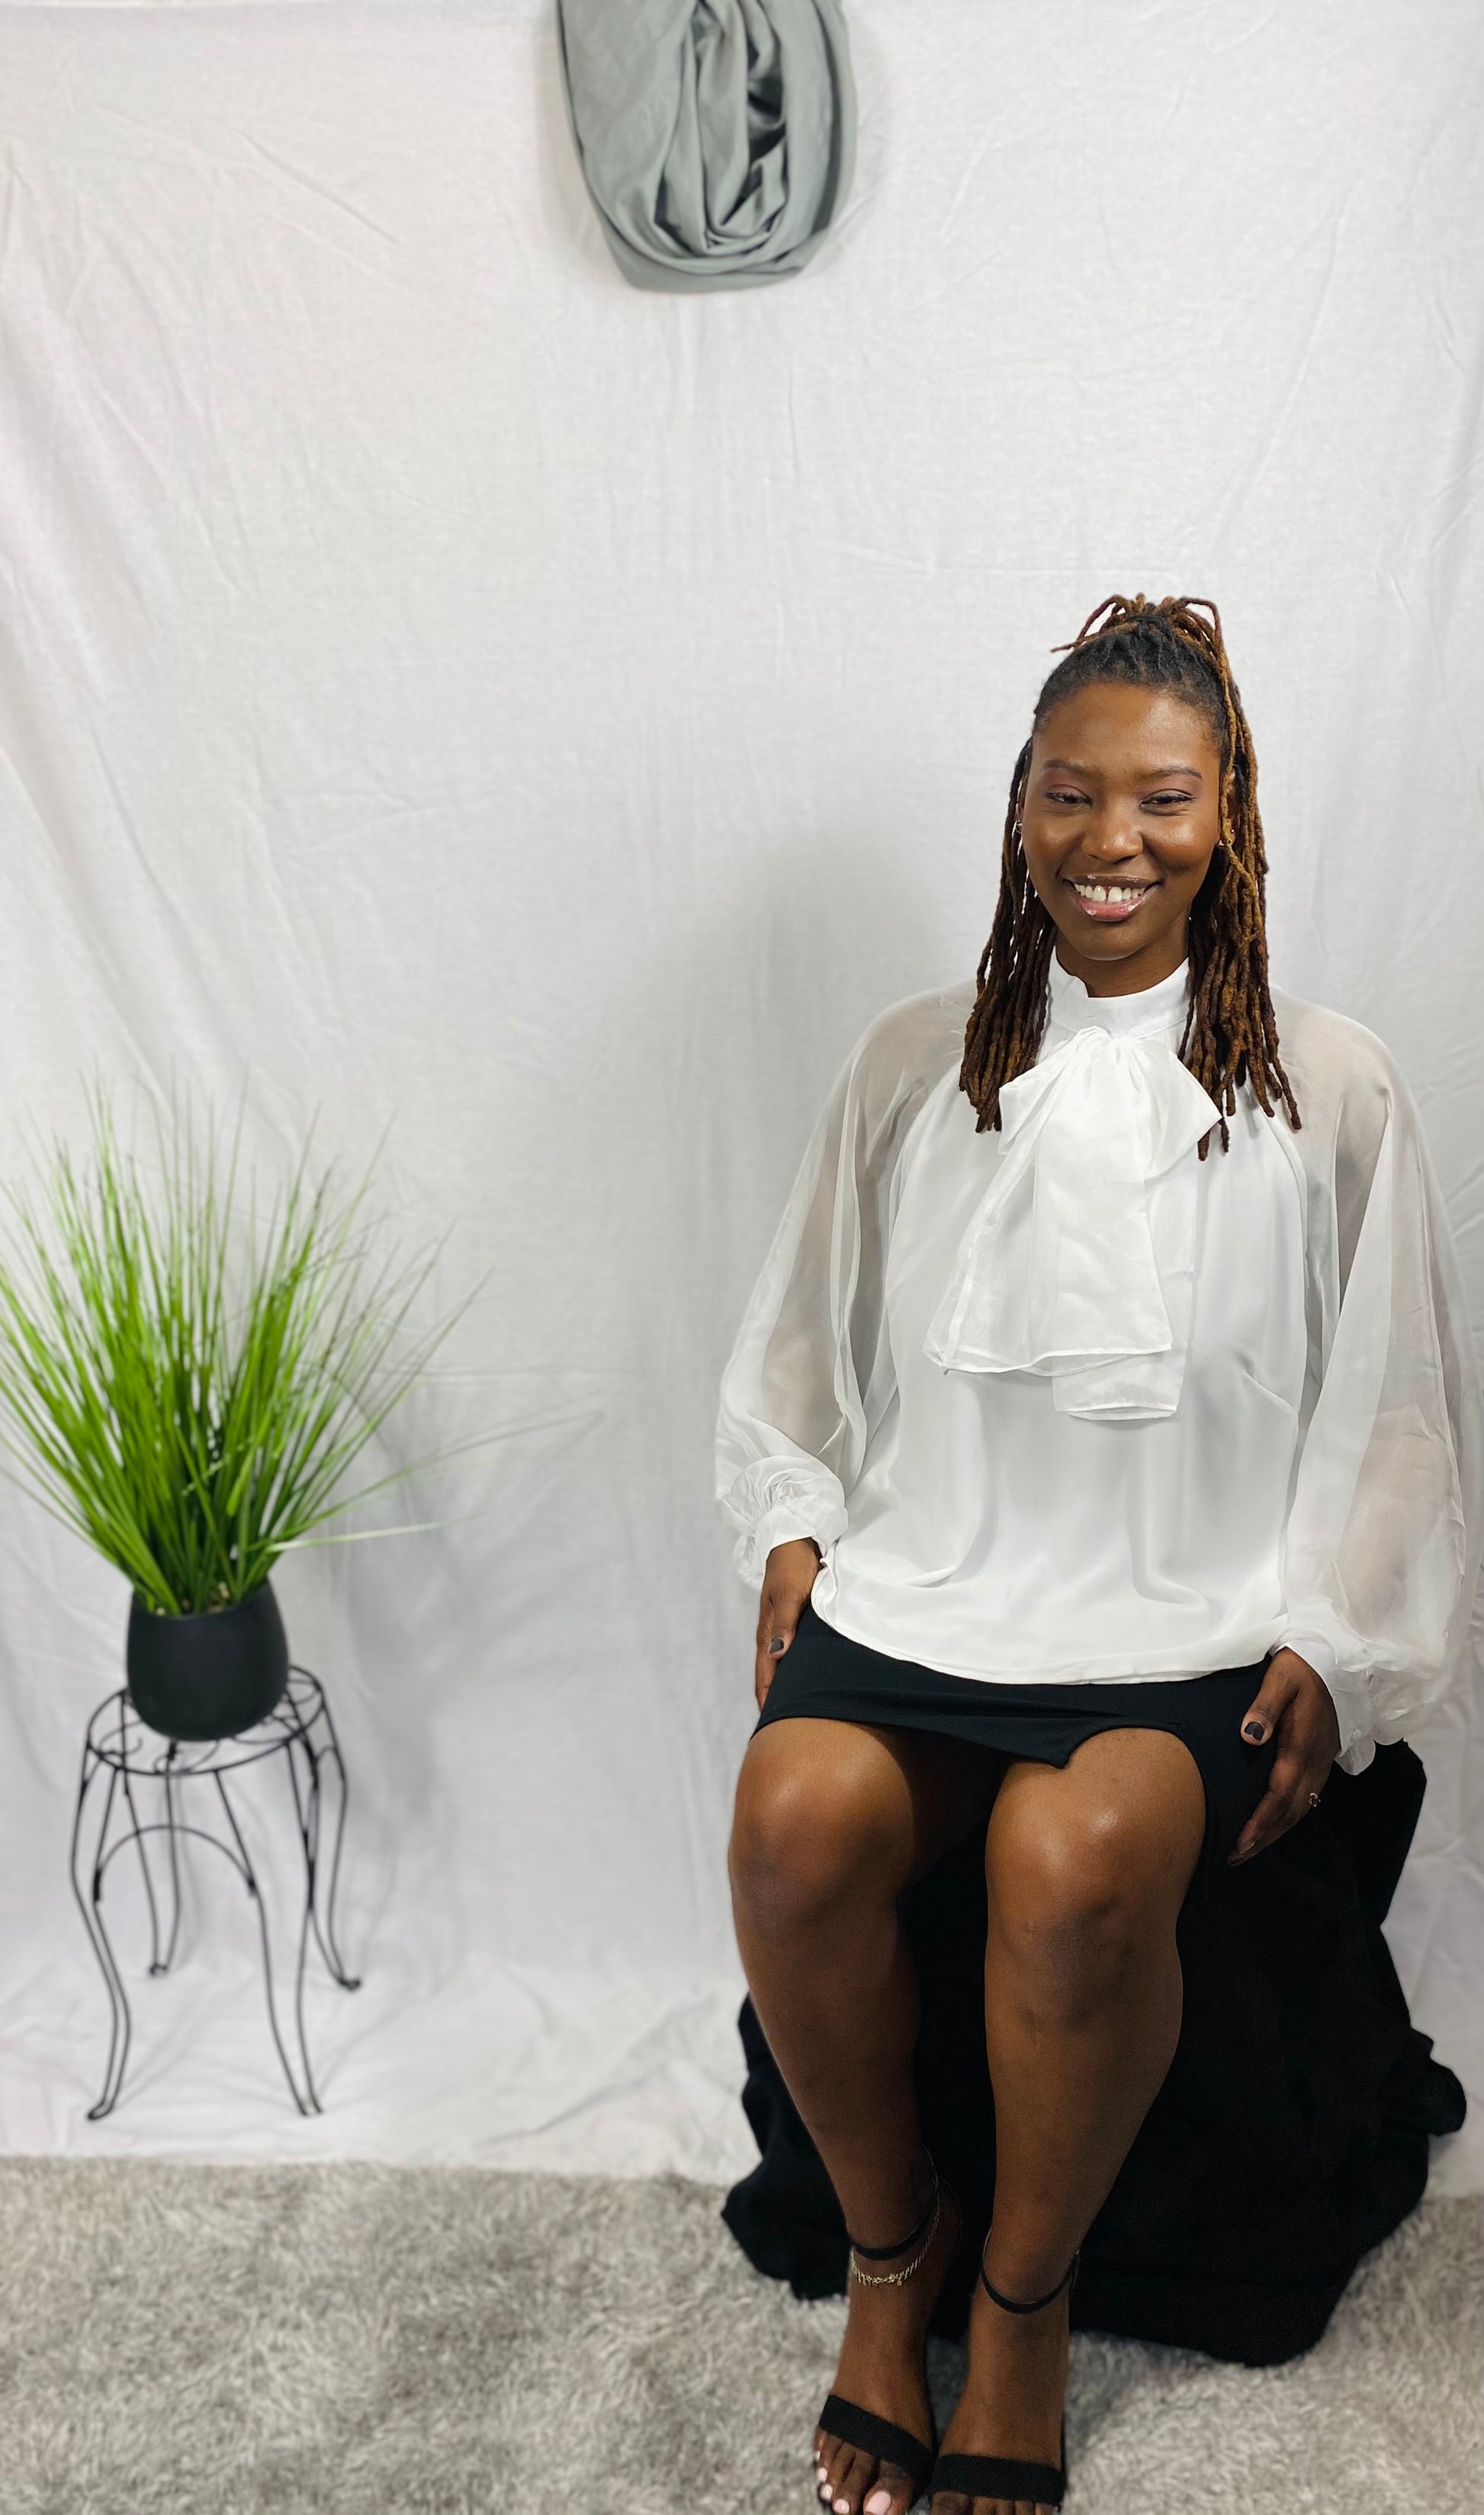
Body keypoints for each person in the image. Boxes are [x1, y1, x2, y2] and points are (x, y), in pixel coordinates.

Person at [714, 594, 1482, 2515]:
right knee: (791, 1818)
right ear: (1019, 807)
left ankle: (1026, 2308)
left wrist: (1331, 1634)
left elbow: (1392, 1410)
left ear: (1228, 814)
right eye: (1070, 792)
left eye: (1160, 794)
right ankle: (891, 2276)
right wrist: (794, 1513)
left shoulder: (1325, 1082)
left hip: (1183, 1627)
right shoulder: (918, 1062)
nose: (1109, 838)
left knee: (1066, 1862)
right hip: (931, 1596)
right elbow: (794, 1336)